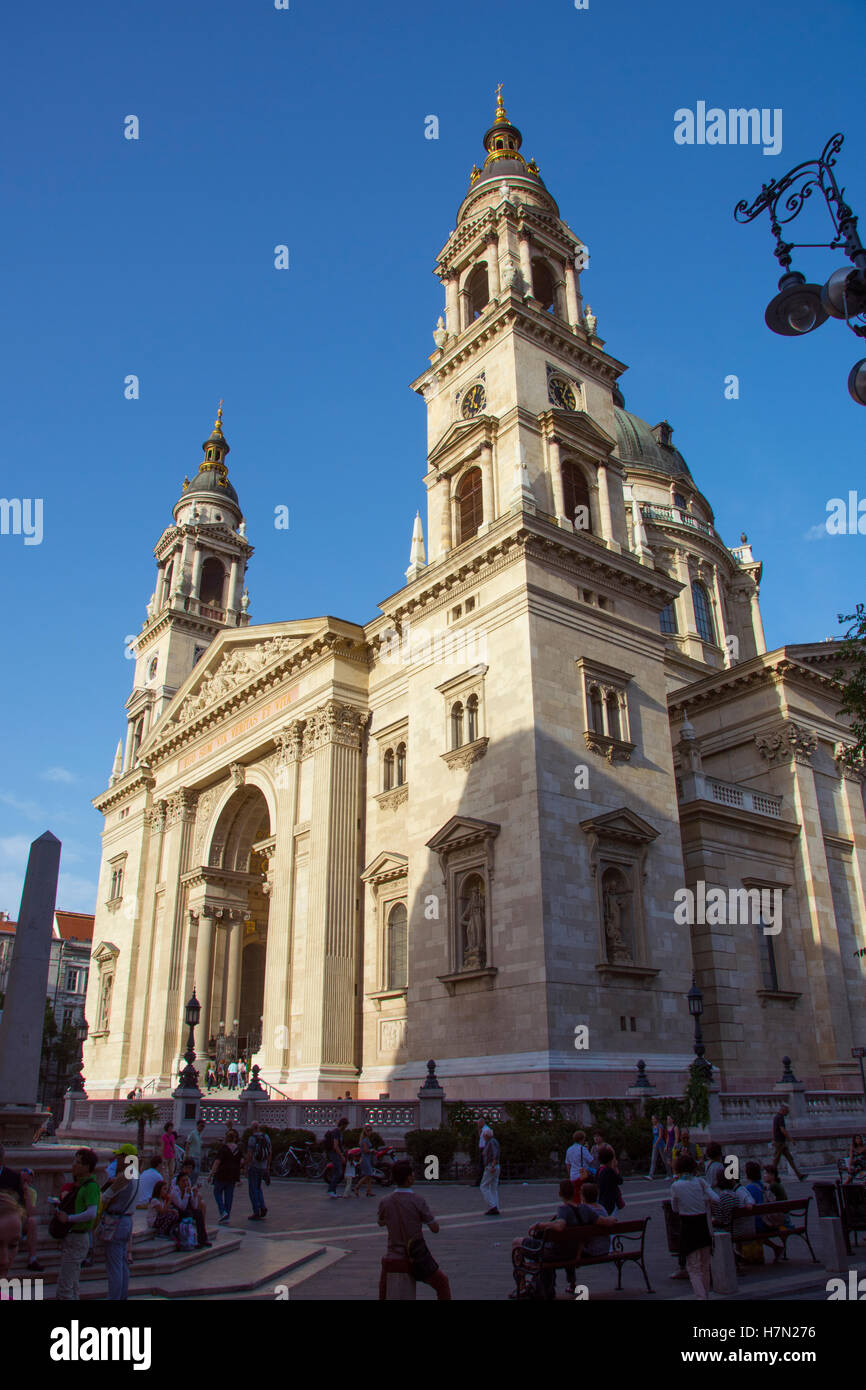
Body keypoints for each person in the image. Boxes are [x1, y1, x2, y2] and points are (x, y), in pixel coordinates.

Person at [377, 1160, 451, 1300]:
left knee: (383, 1292)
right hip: (415, 1259)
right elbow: (435, 1228)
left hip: (391, 1258)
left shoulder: (385, 1201)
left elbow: (380, 1222)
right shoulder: (418, 1200)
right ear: (409, 1178)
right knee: (442, 1283)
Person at [669, 1153, 719, 1299]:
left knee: (693, 1267)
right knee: (705, 1266)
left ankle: (701, 1297)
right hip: (703, 1225)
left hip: (688, 1226)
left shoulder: (676, 1186)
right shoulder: (700, 1182)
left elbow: (675, 1208)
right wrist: (703, 1200)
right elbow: (715, 1198)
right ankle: (706, 1295)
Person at [55, 1148, 101, 1300]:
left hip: (78, 1237)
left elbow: (92, 1213)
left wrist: (68, 1218)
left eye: (78, 1162)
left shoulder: (91, 1186)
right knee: (72, 1283)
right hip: (74, 1237)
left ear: (87, 1167)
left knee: (65, 1286)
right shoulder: (83, 1185)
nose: (74, 1165)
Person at [100, 1148, 140, 1300]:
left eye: (119, 1157)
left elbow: (106, 1197)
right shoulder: (137, 1175)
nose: (116, 1160)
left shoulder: (125, 1176)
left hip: (117, 1221)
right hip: (127, 1220)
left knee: (114, 1266)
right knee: (122, 1264)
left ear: (125, 1157)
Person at [169, 1162, 211, 1248]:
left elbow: (194, 1205)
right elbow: (181, 1206)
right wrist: (186, 1195)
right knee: (189, 1214)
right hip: (178, 1212)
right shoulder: (175, 1192)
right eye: (183, 1181)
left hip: (187, 1210)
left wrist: (194, 1195)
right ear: (178, 1182)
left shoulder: (188, 1189)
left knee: (198, 1213)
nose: (185, 1183)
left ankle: (203, 1239)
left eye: (186, 1181)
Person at [210, 1128, 242, 1223]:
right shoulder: (238, 1150)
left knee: (217, 1192)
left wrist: (211, 1173)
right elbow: (242, 1161)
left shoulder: (223, 1149)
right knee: (229, 1195)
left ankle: (222, 1211)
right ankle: (227, 1215)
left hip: (222, 1173)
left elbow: (217, 1162)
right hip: (233, 1175)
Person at [772, 1103, 807, 1181]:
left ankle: (799, 1175)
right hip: (780, 1142)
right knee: (776, 1160)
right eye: (787, 1111)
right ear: (783, 1110)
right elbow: (782, 1130)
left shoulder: (776, 1117)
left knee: (789, 1159)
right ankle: (771, 1176)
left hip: (780, 1142)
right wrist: (791, 1139)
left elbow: (774, 1130)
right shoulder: (780, 1118)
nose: (787, 1113)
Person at [244, 1121, 271, 1220]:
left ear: (252, 1128)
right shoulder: (266, 1137)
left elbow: (249, 1154)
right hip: (263, 1167)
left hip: (254, 1166)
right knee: (259, 1188)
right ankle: (262, 1206)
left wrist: (246, 1167)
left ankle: (256, 1211)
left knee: (253, 1189)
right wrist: (268, 1166)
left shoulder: (252, 1139)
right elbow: (269, 1152)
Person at [323, 1117, 350, 1198]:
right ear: (343, 1125)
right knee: (338, 1172)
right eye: (346, 1125)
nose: (346, 1127)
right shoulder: (337, 1132)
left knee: (336, 1172)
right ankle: (331, 1190)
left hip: (336, 1153)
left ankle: (333, 1191)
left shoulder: (338, 1132)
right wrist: (341, 1156)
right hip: (335, 1154)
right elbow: (335, 1146)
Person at [596, 1145, 623, 1215]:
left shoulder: (599, 1170)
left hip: (601, 1199)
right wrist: (615, 1168)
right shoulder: (610, 1171)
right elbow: (620, 1180)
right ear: (610, 1159)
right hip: (611, 1201)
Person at [481, 1125, 501, 1215]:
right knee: (493, 1187)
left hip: (491, 1166)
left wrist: (492, 1165)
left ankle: (493, 1206)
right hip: (496, 1166)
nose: (483, 1137)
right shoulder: (493, 1141)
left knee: (484, 1186)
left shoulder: (491, 1142)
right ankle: (495, 1205)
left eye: (484, 1136)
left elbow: (495, 1154)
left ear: (486, 1135)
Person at [352, 1123, 375, 1198]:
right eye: (368, 1131)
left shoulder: (366, 1140)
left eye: (370, 1131)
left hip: (367, 1159)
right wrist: (372, 1151)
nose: (370, 1132)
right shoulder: (364, 1140)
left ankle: (369, 1191)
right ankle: (357, 1187)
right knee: (368, 1175)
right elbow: (366, 1150)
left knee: (369, 1176)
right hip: (365, 1159)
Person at [647, 1114, 666, 1179]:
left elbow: (660, 1136)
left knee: (664, 1159)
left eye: (653, 1119)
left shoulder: (660, 1126)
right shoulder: (653, 1126)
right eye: (652, 1119)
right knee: (653, 1159)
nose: (652, 1120)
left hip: (660, 1144)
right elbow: (654, 1135)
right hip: (655, 1144)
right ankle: (650, 1175)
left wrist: (656, 1143)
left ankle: (670, 1173)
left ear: (656, 1119)